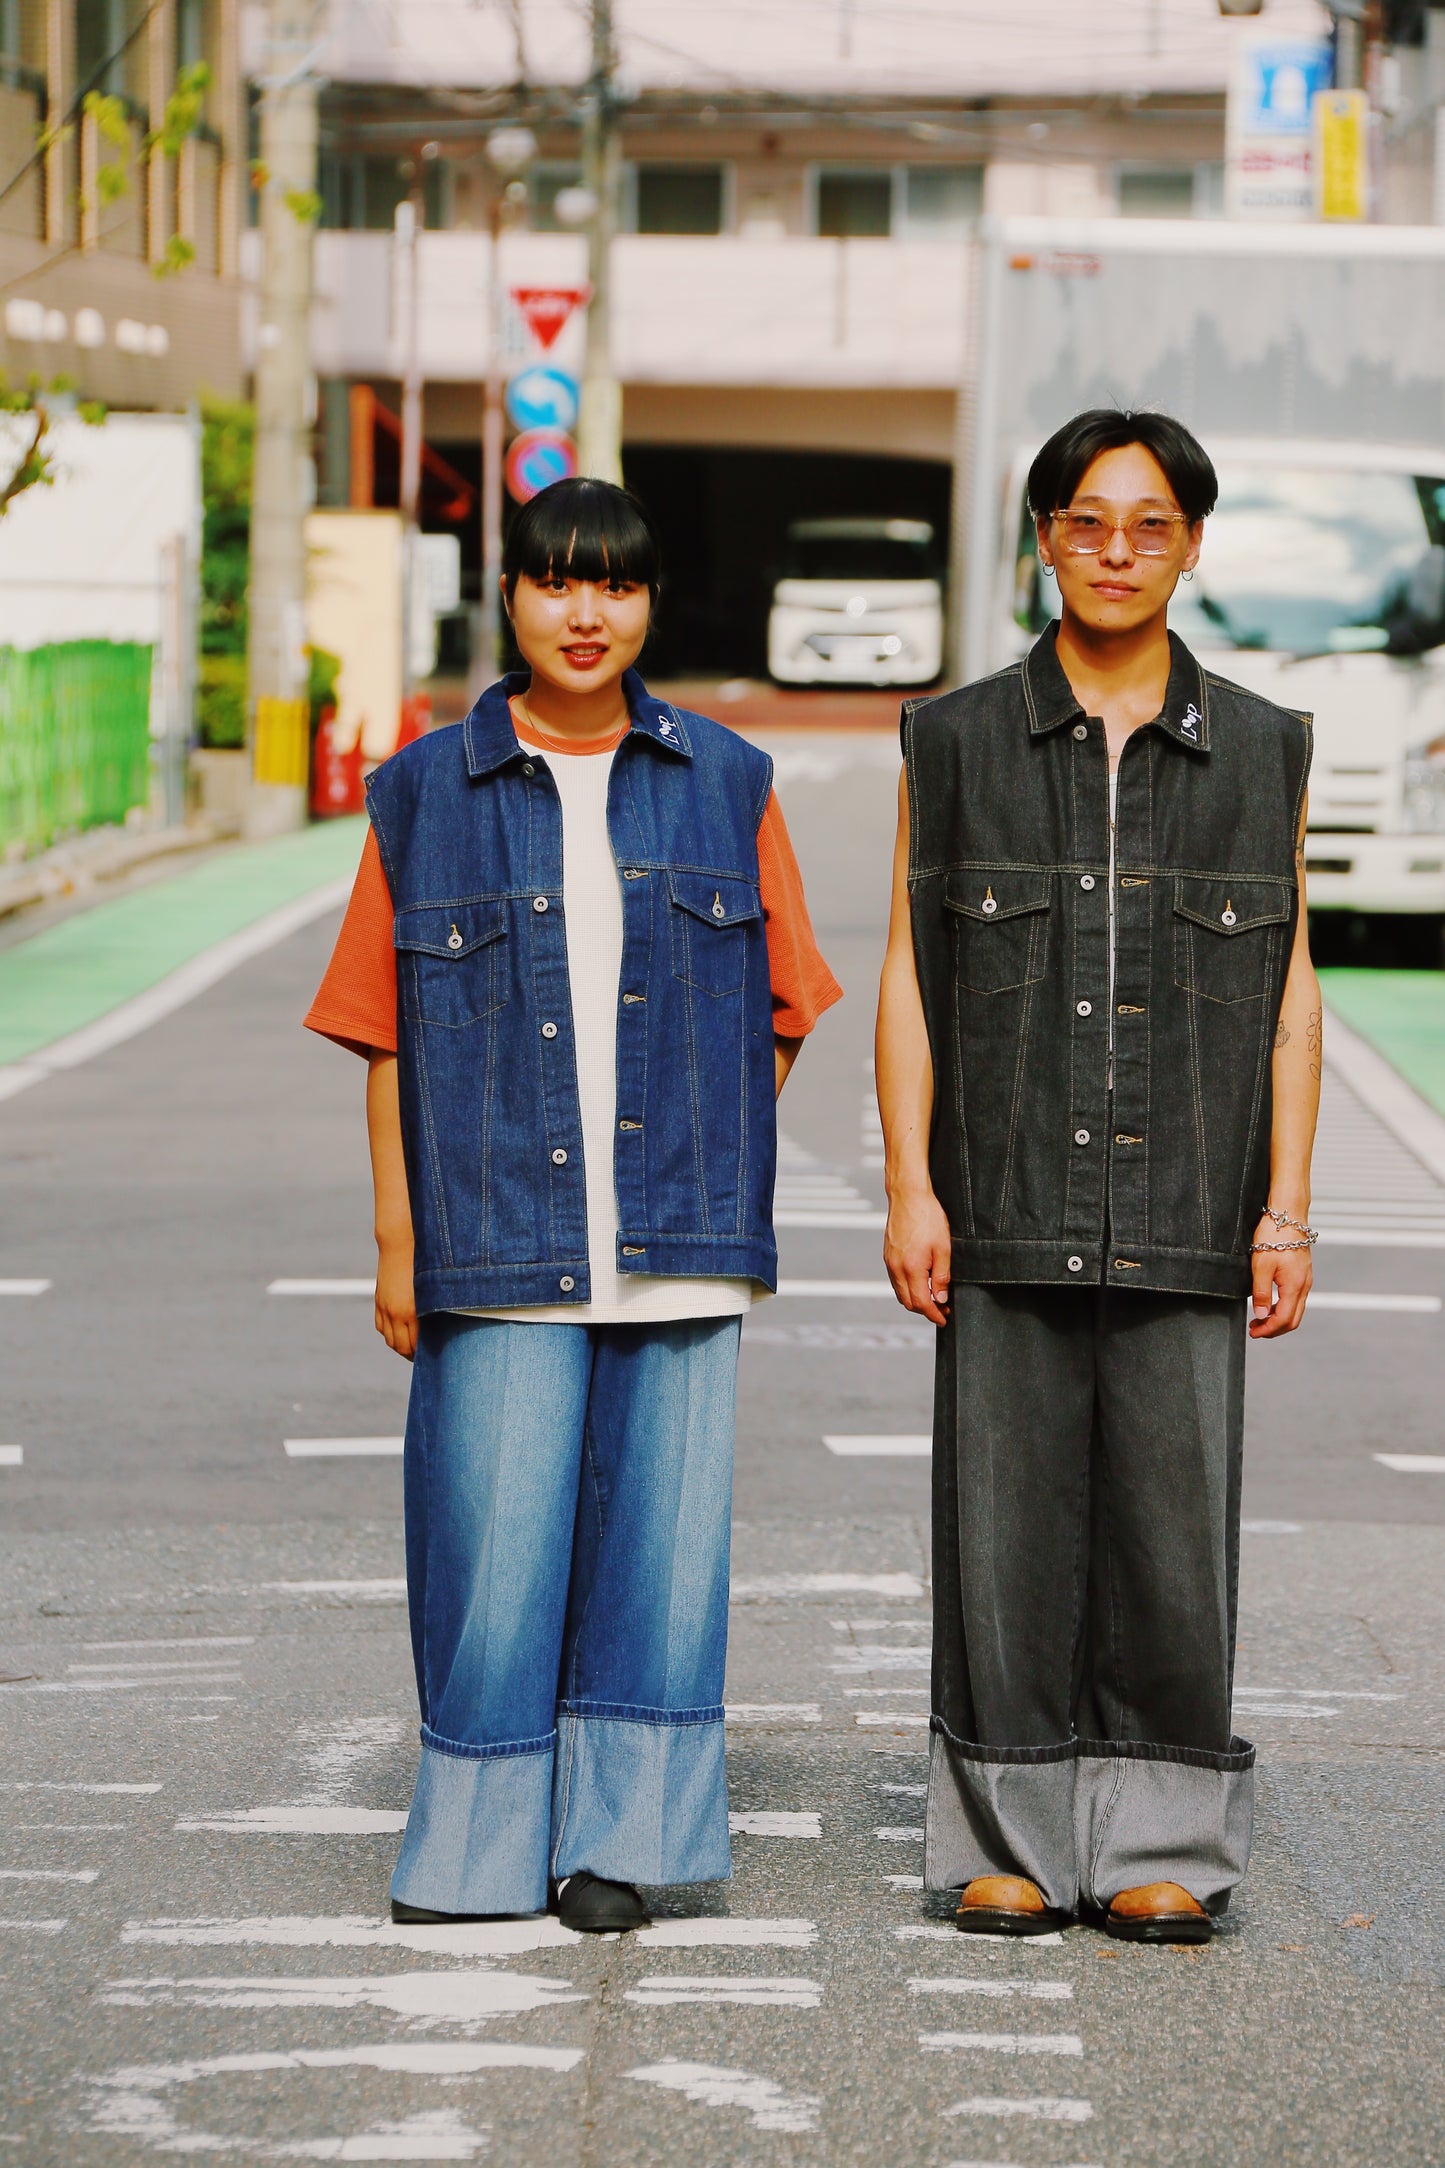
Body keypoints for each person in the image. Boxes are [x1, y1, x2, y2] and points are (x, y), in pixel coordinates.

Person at [305, 476, 840, 1933]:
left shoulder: (727, 779)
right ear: (514, 600)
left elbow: (783, 1004)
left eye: (612, 584)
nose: (584, 611)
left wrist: (698, 1157)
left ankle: (626, 1845)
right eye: (555, 583)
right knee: (491, 1546)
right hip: (491, 1236)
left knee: (661, 1560)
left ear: (649, 604)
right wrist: (398, 1240)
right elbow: (382, 1030)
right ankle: (477, 1849)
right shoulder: (423, 790)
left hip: (677, 1239)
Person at [875, 409, 1319, 1945]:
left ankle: (1160, 1842)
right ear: (1042, 539)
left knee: (1170, 1532)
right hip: (1002, 1194)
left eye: (1147, 524)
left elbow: (1291, 988)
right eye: (1083, 520)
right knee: (999, 1531)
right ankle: (1002, 1831)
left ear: (1192, 544)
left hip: (1195, 1198)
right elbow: (907, 973)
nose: (1114, 550)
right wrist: (908, 1187)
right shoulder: (951, 738)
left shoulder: (1264, 746)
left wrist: (1286, 1206)